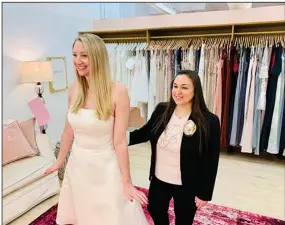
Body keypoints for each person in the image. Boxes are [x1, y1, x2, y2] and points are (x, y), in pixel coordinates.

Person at [44, 33, 149, 225]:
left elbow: (120, 142)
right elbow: (68, 132)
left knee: (109, 215)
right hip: (78, 165)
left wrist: (127, 182)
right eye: (75, 55)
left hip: (105, 168)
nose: (78, 61)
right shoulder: (74, 89)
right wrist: (59, 162)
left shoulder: (118, 91)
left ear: (97, 56)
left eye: (84, 55)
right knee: (84, 214)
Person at [128, 70, 221, 225]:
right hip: (160, 178)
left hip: (187, 183)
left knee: (184, 219)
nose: (178, 92)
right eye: (175, 86)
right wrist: (119, 138)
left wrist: (205, 193)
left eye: (184, 87)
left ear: (195, 91)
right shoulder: (162, 110)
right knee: (155, 208)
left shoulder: (208, 121)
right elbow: (145, 133)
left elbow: (211, 160)